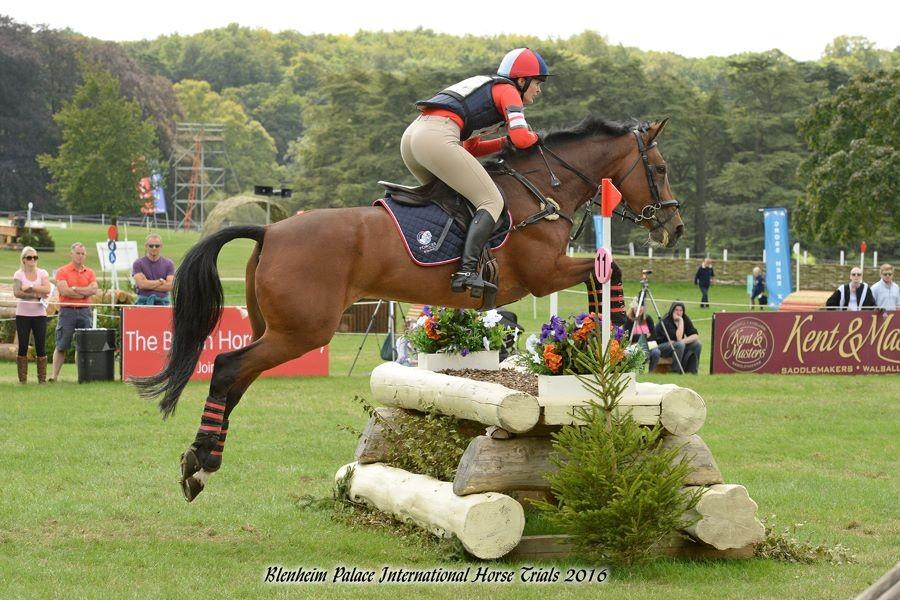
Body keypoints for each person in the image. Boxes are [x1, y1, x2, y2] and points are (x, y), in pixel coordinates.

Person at [402, 47, 548, 297]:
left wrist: (503, 142)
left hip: (413, 138)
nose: (539, 89)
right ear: (522, 80)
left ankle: (437, 255)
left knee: (454, 202)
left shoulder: (489, 90)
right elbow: (523, 139)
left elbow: (472, 148)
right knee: (492, 201)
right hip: (437, 138)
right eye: (537, 82)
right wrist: (539, 136)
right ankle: (466, 271)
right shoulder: (508, 91)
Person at [52, 242, 98, 381]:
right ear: (71, 254)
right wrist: (85, 293)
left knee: (83, 346)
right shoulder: (62, 271)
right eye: (78, 253)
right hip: (67, 311)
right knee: (62, 345)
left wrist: (75, 289)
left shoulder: (90, 272)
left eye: (83, 253)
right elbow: (64, 290)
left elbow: (94, 290)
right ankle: (54, 376)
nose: (80, 256)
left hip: (85, 311)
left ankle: (81, 377)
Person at [12, 246, 51, 383]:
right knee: (23, 345)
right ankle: (22, 379)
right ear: (23, 260)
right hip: (23, 314)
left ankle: (42, 379)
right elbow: (17, 292)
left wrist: (31, 288)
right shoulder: (18, 274)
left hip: (40, 314)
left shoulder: (42, 273)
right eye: (29, 257)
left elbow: (47, 289)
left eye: (35, 257)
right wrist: (37, 294)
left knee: (40, 345)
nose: (32, 260)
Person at [654, 301, 702, 374]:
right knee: (680, 345)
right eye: (676, 310)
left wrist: (683, 340)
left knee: (697, 344)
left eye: (681, 310)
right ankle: (676, 371)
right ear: (672, 310)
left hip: (676, 346)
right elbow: (678, 338)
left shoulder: (685, 318)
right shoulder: (666, 320)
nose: (678, 312)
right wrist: (681, 321)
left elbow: (695, 335)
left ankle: (692, 371)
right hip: (661, 347)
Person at [132, 234, 175, 305]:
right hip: (143, 304)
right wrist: (160, 281)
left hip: (163, 304)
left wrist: (148, 285)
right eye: (151, 246)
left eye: (157, 246)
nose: (154, 248)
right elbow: (141, 285)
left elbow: (170, 286)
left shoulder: (169, 264)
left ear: (161, 246)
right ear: (146, 246)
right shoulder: (138, 263)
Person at [626, 299, 660, 372]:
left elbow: (654, 336)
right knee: (642, 352)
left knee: (656, 352)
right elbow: (628, 336)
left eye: (640, 307)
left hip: (648, 344)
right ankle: (639, 371)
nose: (638, 309)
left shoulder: (648, 319)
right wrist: (644, 336)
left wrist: (639, 337)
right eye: (636, 307)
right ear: (632, 308)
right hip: (634, 345)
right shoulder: (629, 320)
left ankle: (651, 372)